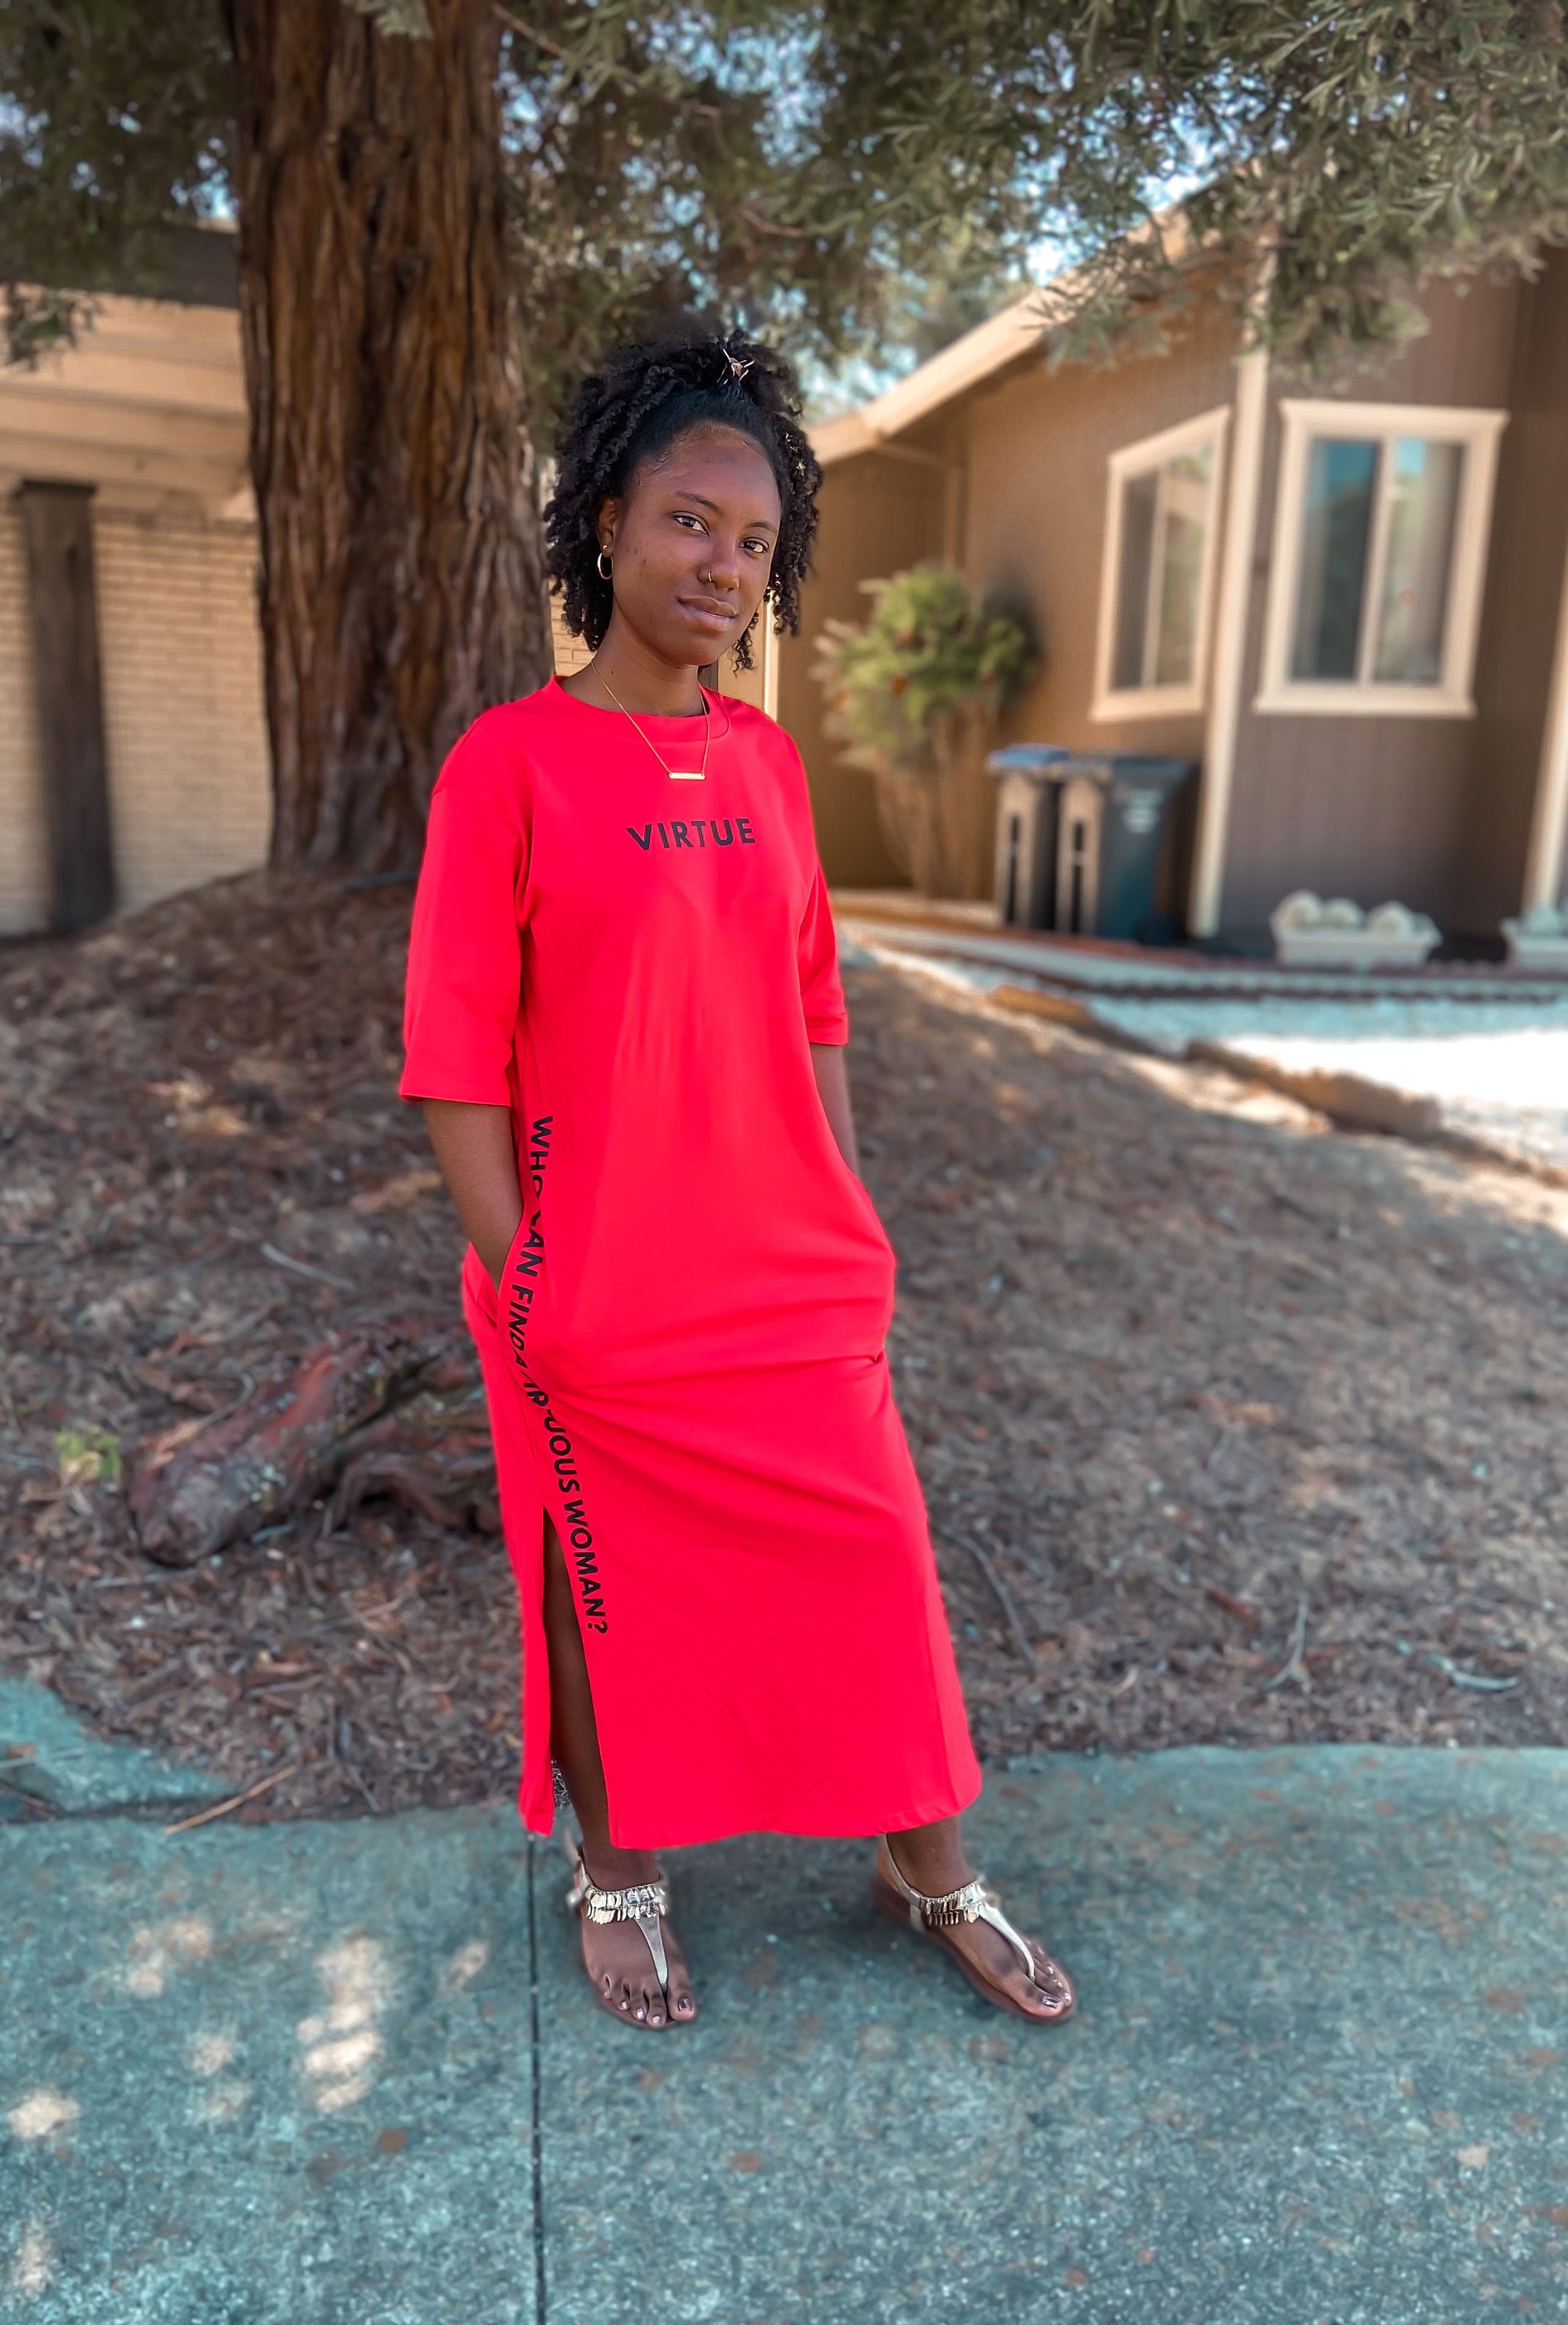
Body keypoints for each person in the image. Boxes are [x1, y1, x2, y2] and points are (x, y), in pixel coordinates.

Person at [400, 323, 1075, 2034]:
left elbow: (814, 1004)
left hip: (786, 1274)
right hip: (590, 1284)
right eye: (694, 520)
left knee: (876, 1560)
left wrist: (849, 1217)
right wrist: (525, 1273)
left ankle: (926, 1862)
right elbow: (454, 1057)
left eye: (758, 540)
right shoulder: (509, 766)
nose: (725, 563)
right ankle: (618, 1869)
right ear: (608, 522)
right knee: (594, 1581)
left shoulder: (770, 768)